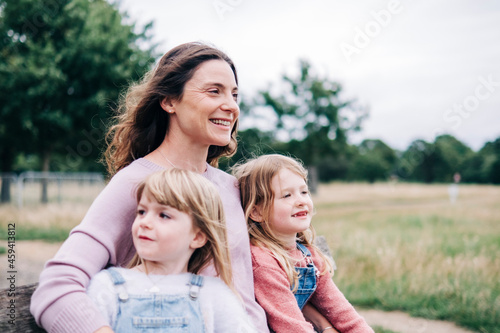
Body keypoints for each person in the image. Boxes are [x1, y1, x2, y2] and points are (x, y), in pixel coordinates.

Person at [31, 42, 269, 333]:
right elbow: (57, 287)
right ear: (169, 101)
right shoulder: (136, 184)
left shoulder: (230, 187)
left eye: (234, 94)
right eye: (213, 91)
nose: (231, 106)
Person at [86, 168, 256, 332]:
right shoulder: (107, 288)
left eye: (164, 215)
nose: (144, 222)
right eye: (142, 211)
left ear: (197, 237)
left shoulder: (214, 296)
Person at [232, 154, 374, 333]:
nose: (301, 201)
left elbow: (342, 312)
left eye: (304, 192)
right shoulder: (262, 261)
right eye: (287, 195)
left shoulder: (310, 255)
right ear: (257, 212)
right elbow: (292, 327)